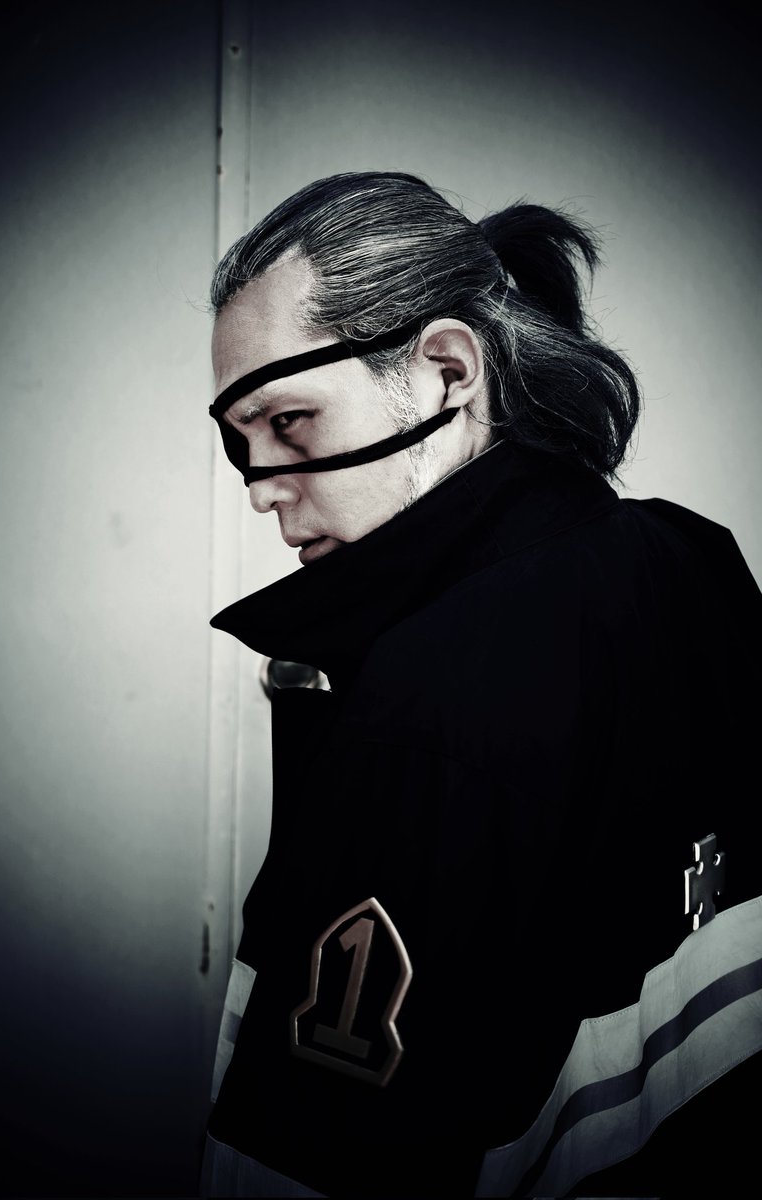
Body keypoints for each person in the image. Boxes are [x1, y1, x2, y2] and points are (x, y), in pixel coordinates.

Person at [199, 171, 762, 1198]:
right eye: (241, 442)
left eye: (290, 422)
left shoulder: (425, 697)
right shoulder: (692, 563)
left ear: (447, 372)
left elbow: (325, 1151)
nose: (261, 487)